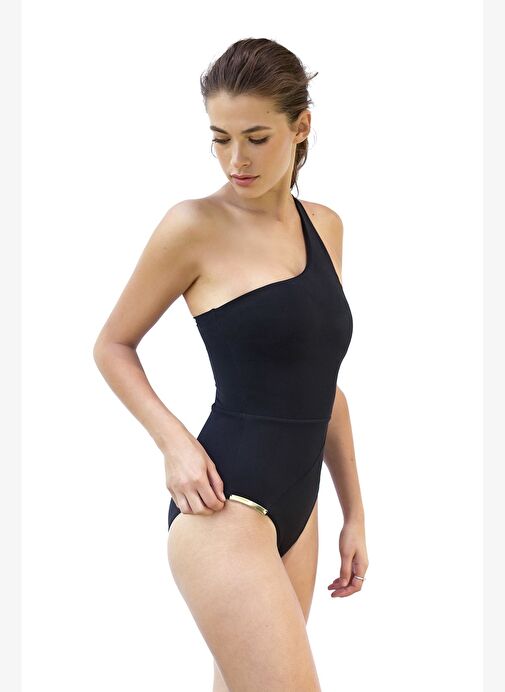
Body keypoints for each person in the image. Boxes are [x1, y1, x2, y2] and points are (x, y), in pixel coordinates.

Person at [93, 37, 368, 692]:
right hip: (224, 504)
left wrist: (353, 511)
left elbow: (323, 387)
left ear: (300, 127)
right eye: (219, 139)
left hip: (300, 507)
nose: (236, 159)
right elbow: (113, 345)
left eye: (255, 137)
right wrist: (175, 447)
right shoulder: (193, 225)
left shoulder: (325, 227)